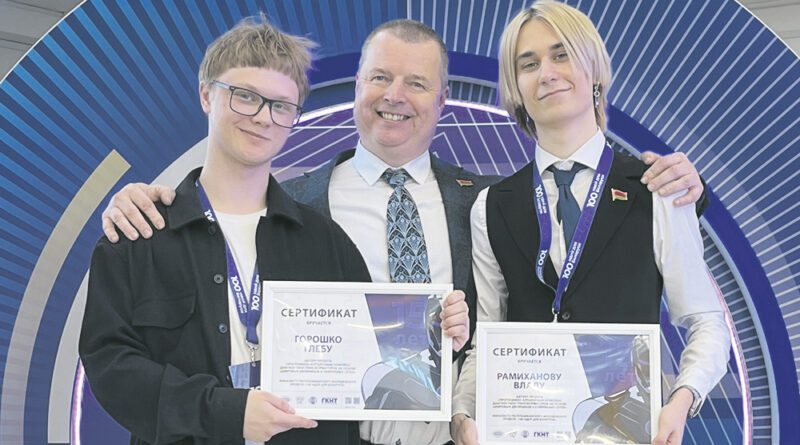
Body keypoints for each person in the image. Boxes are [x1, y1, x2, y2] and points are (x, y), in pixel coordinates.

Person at [97, 19, 708, 445]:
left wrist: (686, 193)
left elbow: (565, 263)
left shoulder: (486, 203)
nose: (396, 96)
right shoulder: (299, 206)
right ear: (356, 86)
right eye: (380, 77)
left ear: (443, 99)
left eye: (417, 83)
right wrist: (145, 197)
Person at [79, 16, 374, 444]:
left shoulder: (327, 243)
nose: (263, 117)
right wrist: (225, 412)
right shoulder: (140, 235)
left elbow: (371, 362)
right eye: (245, 96)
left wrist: (437, 328)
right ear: (206, 95)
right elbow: (110, 366)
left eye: (281, 106)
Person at [450, 2, 731, 445]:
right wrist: (462, 412)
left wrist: (681, 400)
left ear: (594, 70)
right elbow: (485, 337)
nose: (546, 73)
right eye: (528, 64)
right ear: (515, 88)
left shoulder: (657, 188)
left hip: (628, 431)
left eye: (561, 55)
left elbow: (707, 322)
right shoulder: (492, 206)